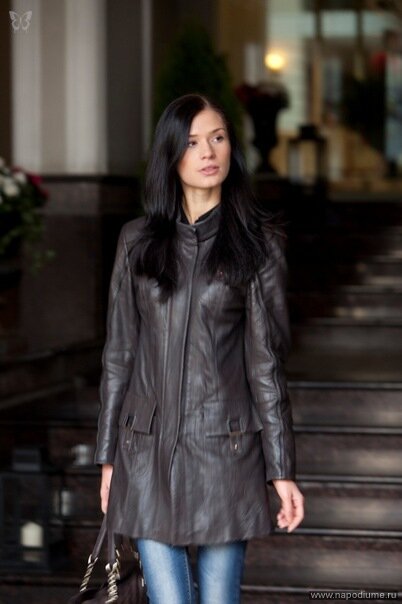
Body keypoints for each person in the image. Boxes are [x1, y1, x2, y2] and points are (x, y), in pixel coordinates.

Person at [95, 93, 304, 604]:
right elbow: (119, 355)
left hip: (224, 453)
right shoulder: (136, 241)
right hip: (144, 452)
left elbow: (266, 365)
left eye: (218, 138)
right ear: (171, 155)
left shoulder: (258, 244)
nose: (208, 152)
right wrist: (107, 456)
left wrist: (281, 468)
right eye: (191, 142)